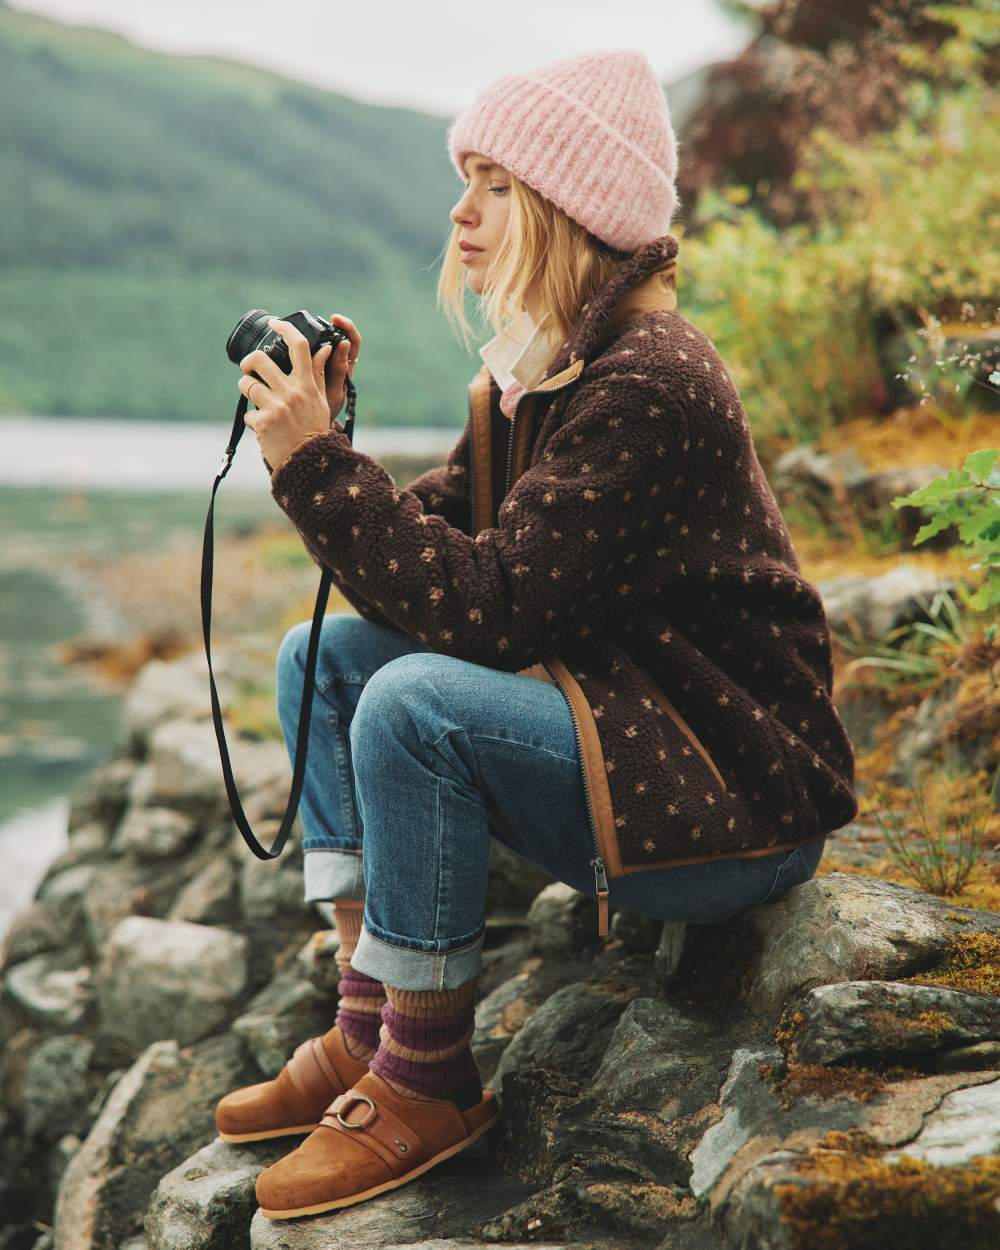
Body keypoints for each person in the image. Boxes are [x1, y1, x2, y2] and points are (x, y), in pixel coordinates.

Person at [215, 48, 857, 1220]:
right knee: (323, 661)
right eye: (463, 176)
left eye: (495, 183)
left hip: (732, 793)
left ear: (567, 209)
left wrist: (315, 464)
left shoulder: (647, 380)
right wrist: (333, 445)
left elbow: (486, 613)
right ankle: (371, 1019)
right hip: (636, 740)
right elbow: (423, 577)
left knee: (412, 701)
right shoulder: (541, 376)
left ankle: (426, 1078)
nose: (460, 210)